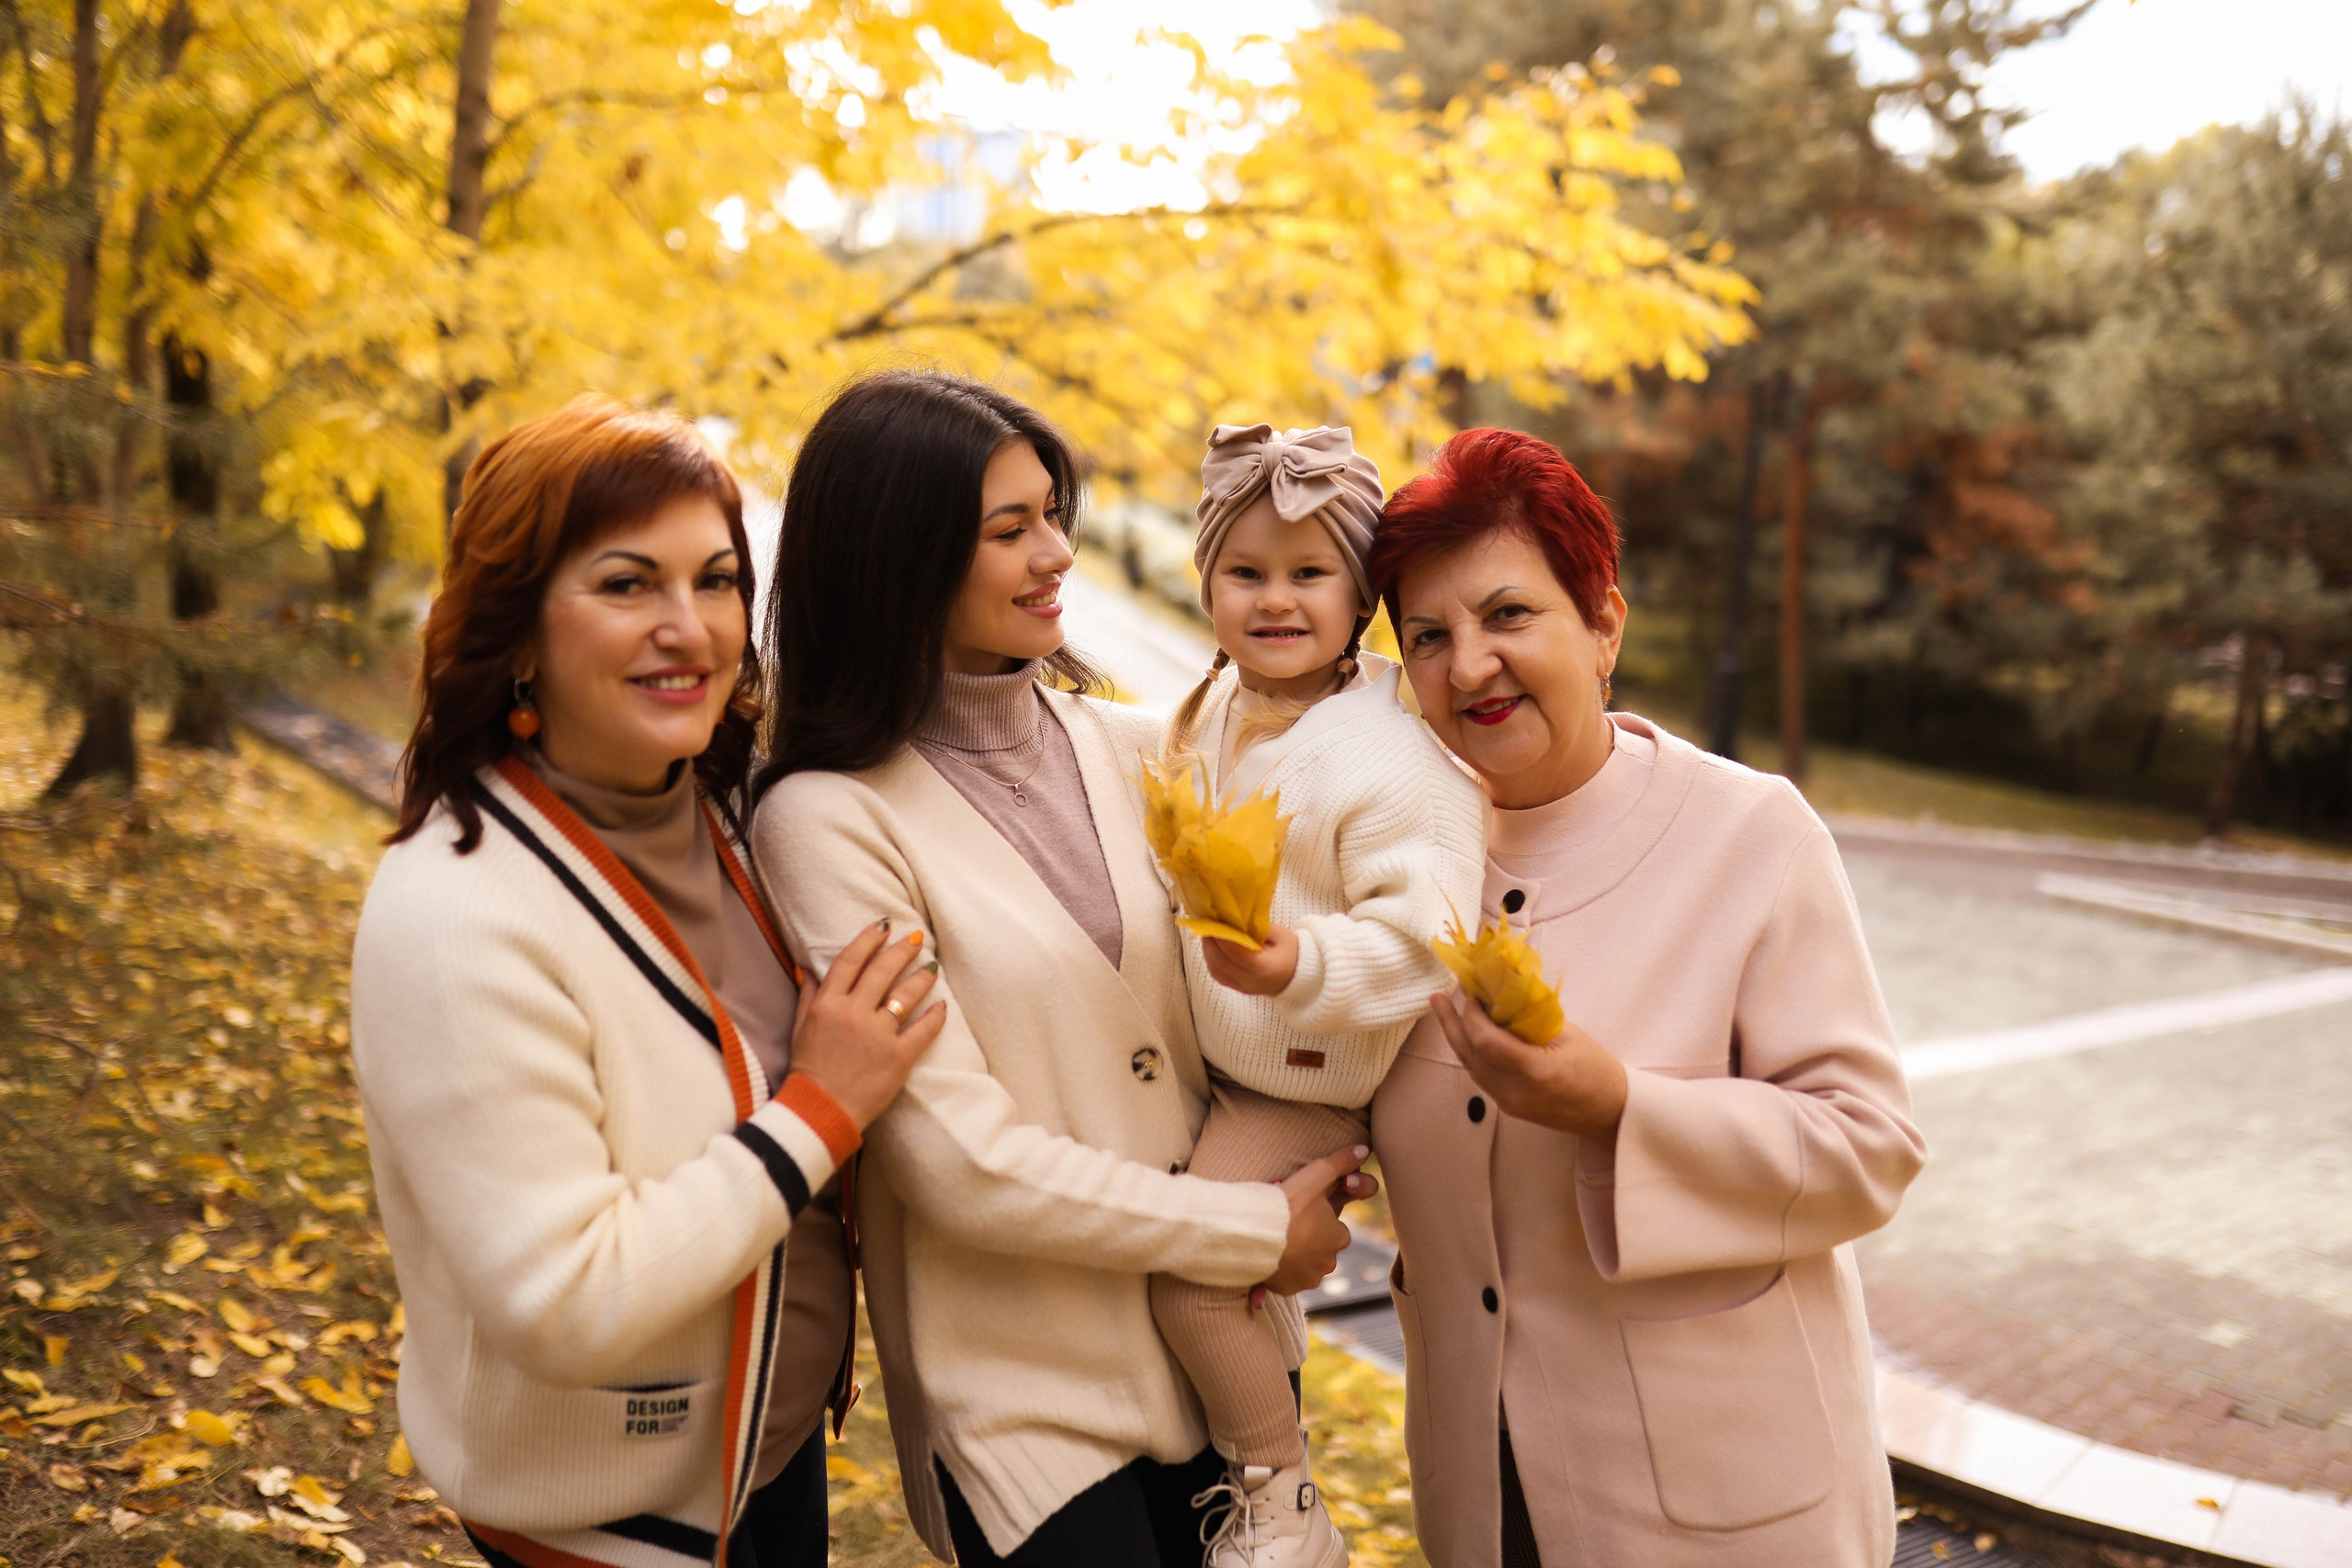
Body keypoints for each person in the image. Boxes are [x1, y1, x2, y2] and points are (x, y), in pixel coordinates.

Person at [748, 371, 1374, 1568]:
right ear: (901, 555)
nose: (1056, 554)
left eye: (1053, 513)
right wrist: (1249, 1225)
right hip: (1027, 1407)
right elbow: (958, 1161)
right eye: (1009, 528)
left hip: (1226, 1383)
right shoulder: (829, 819)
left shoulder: (1151, 747)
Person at [350, 398, 945, 1568]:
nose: (691, 628)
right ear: (517, 632)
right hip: (610, 1528)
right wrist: (822, 1110)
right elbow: (565, 1301)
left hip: (765, 1465)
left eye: (715, 580)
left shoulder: (735, 815)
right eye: (627, 585)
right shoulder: (453, 912)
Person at [1364, 428, 1928, 1567]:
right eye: (1429, 636)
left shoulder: (1749, 834)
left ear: (1603, 624)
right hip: (1487, 1504)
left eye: (1508, 615)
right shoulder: (1386, 868)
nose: (1469, 664)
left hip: (1731, 1518)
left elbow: (1871, 1150)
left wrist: (1618, 1106)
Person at [1145, 423, 1485, 1568]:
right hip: (1217, 1060)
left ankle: (1282, 1497)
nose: (1274, 600)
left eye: (1309, 574)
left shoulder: (1387, 754)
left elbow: (1429, 934)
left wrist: (1299, 964)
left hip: (1299, 1077)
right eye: (1245, 573)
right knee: (1227, 1277)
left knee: (1193, 1276)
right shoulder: (1210, 707)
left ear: (1360, 597)